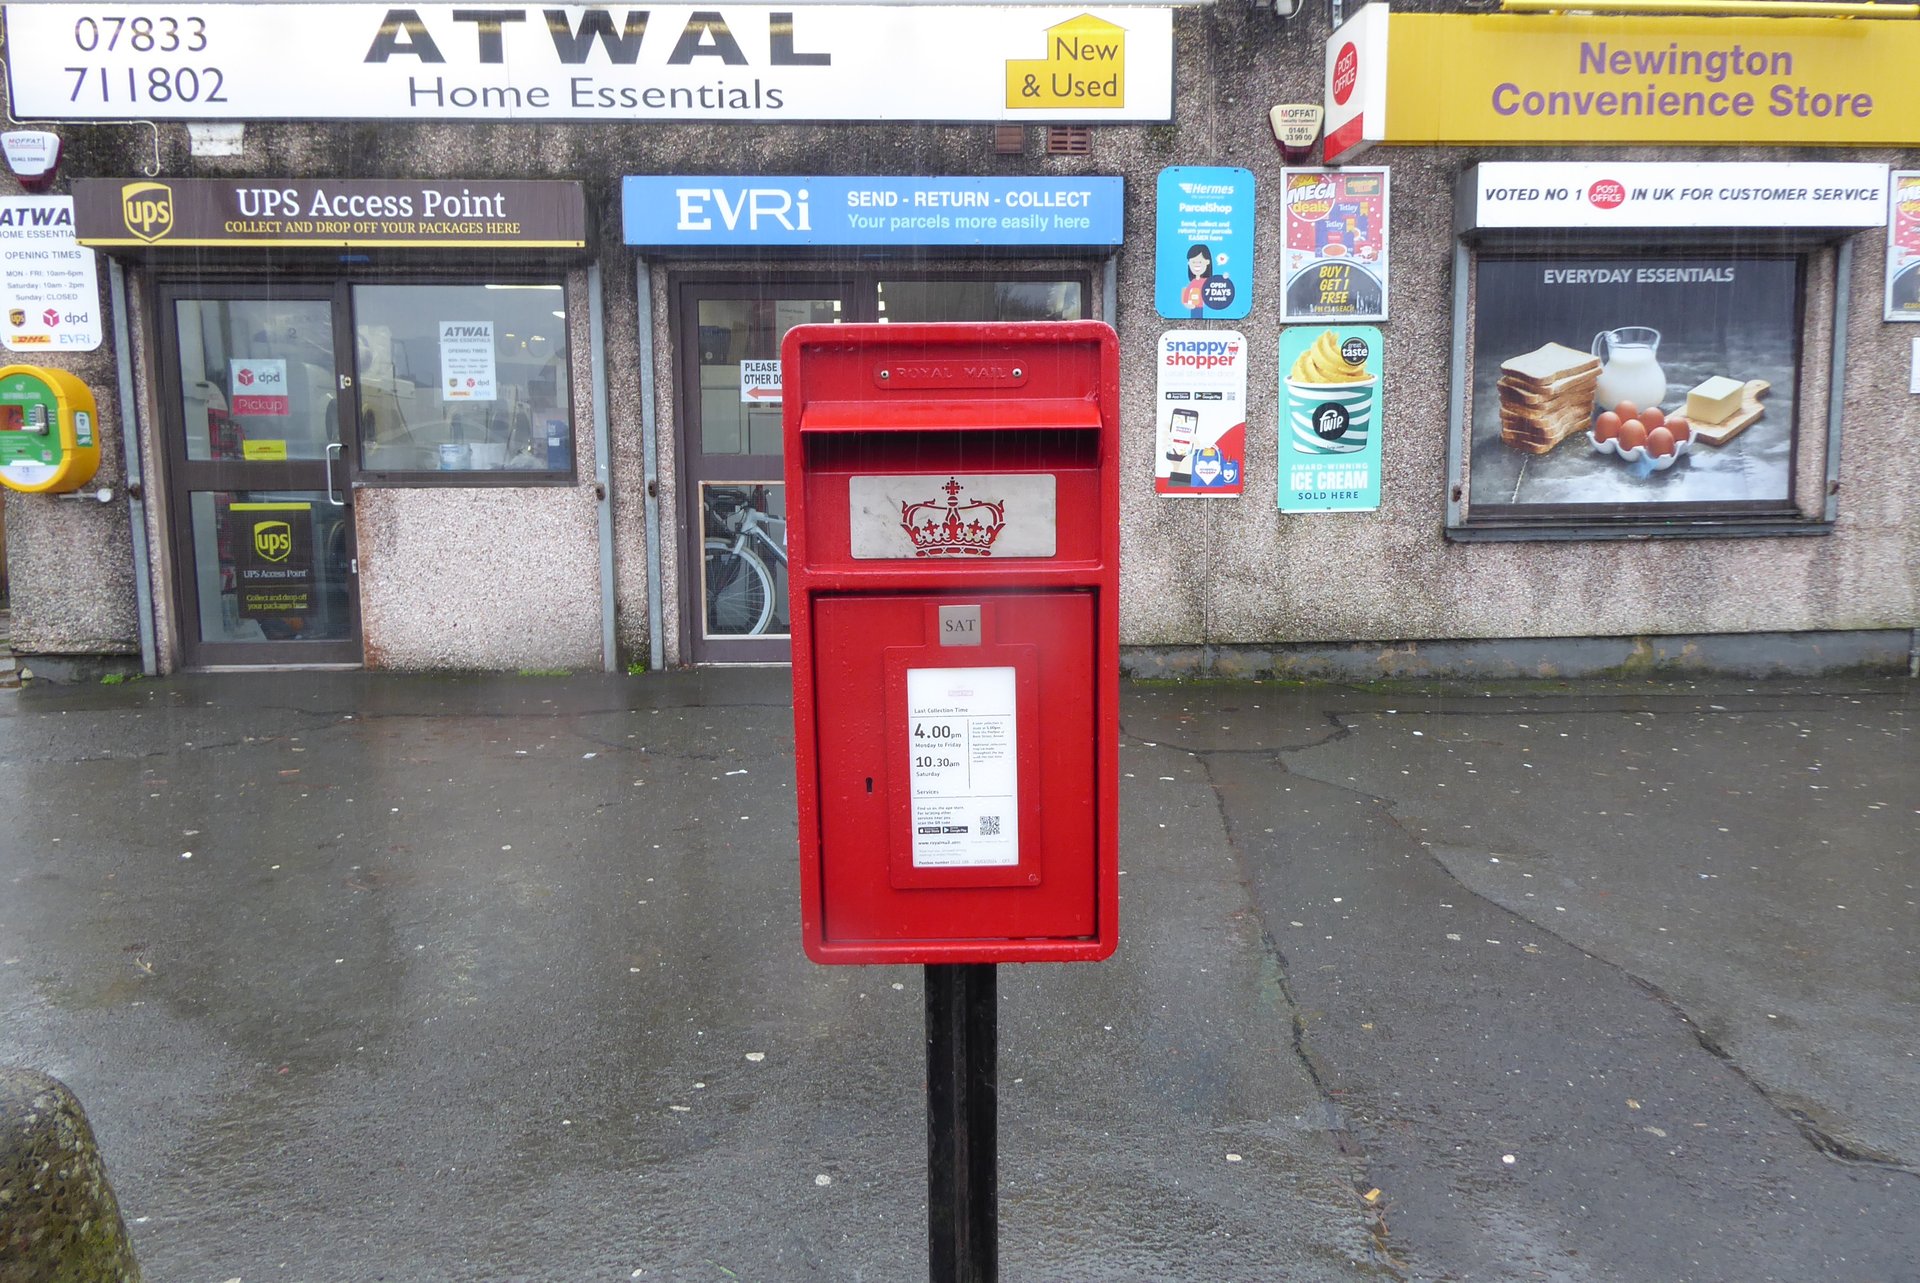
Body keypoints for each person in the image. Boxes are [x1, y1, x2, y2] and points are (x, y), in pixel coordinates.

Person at [1181, 244, 1212, 319]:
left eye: (1200, 262)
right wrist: (1186, 303)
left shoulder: (1207, 282)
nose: (1196, 265)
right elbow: (1186, 293)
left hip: (1202, 307)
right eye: (1193, 262)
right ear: (1188, 263)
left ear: (1207, 262)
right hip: (1194, 306)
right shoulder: (1193, 282)